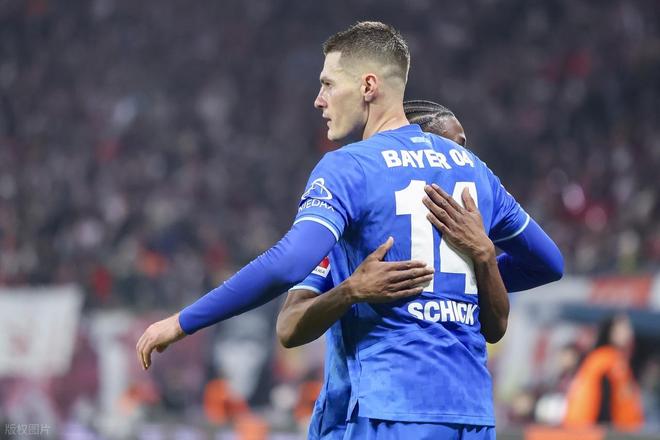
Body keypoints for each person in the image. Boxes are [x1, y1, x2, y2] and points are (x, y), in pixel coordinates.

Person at [137, 22, 563, 439]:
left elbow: (287, 263)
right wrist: (459, 283)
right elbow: (549, 263)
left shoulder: (350, 166)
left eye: (328, 84)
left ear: (367, 86)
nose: (319, 99)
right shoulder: (475, 170)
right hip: (472, 414)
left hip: (392, 408)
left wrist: (183, 322)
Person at [276, 101, 558, 439]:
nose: (460, 159)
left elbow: (497, 326)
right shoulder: (350, 226)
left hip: (459, 411)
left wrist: (483, 259)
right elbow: (289, 325)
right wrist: (350, 290)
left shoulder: (471, 243)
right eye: (454, 145)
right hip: (362, 413)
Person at [564, 314, 644, 431]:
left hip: (616, 428)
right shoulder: (605, 360)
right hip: (600, 429)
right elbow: (602, 397)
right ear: (611, 331)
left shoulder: (614, 359)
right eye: (623, 328)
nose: (629, 333)